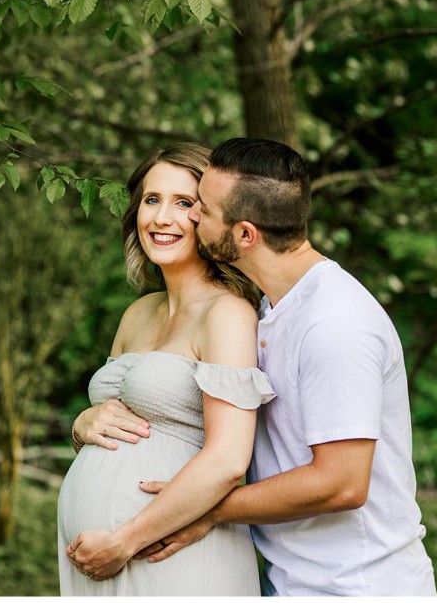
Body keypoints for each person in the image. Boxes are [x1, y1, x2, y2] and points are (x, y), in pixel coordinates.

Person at [73, 137, 437, 596]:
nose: (187, 218)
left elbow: (342, 483)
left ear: (244, 234)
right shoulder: (273, 308)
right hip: (292, 580)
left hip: (358, 586)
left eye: (199, 207)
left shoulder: (335, 322)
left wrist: (207, 510)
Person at [57, 143, 276, 596]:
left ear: (214, 217)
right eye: (152, 200)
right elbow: (119, 428)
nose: (160, 219)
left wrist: (124, 540)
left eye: (184, 204)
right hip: (99, 559)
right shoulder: (137, 313)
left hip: (169, 554)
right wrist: (81, 426)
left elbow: (228, 460)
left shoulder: (228, 315)